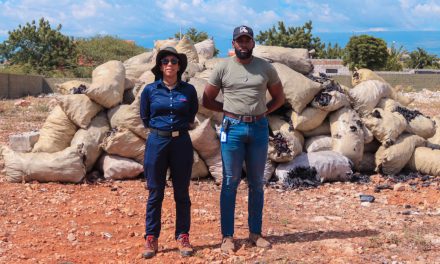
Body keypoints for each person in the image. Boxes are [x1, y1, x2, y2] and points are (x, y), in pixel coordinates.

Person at [202, 25, 285, 252]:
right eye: (240, 40)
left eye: (247, 40)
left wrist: (264, 112)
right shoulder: (223, 68)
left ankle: (255, 233)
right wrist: (228, 109)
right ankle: (227, 236)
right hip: (233, 129)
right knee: (230, 181)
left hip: (258, 128)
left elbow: (279, 97)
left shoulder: (265, 68)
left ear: (253, 43)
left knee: (257, 182)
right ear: (233, 44)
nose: (244, 44)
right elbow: (207, 99)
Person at [140, 46, 198, 258]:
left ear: (180, 66)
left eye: (174, 61)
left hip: (181, 142)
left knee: (181, 192)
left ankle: (183, 235)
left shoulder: (189, 91)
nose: (170, 65)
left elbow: (191, 115)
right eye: (165, 61)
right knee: (155, 191)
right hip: (157, 142)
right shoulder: (150, 90)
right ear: (160, 66)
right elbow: (145, 117)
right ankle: (151, 237)